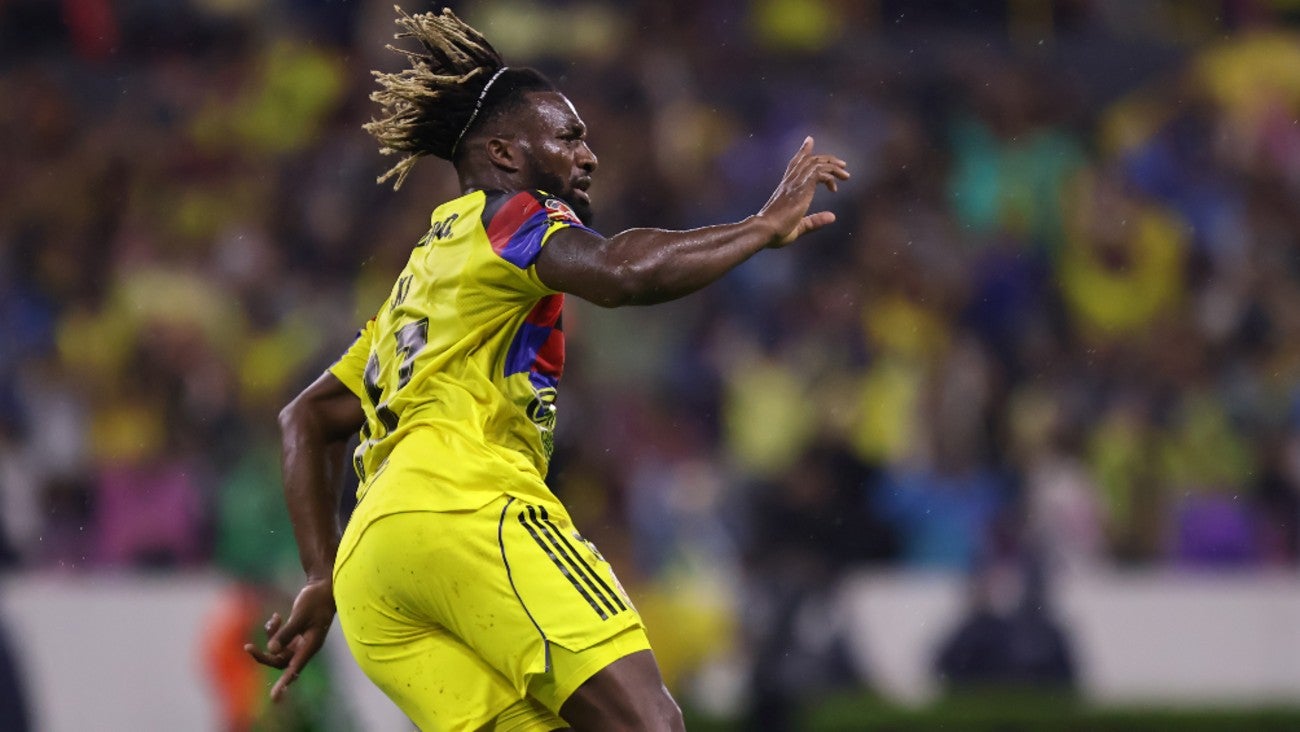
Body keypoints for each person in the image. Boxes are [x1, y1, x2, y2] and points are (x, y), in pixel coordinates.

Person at [244, 7, 849, 731]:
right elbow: (622, 272)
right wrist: (759, 226)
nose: (588, 156)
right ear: (503, 154)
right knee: (649, 725)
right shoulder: (509, 214)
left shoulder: (421, 281)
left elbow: (306, 418)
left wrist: (321, 573)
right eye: (568, 137)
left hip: (373, 572)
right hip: (465, 504)